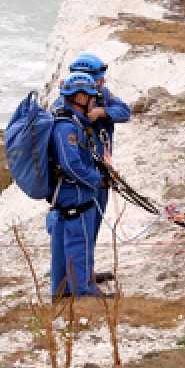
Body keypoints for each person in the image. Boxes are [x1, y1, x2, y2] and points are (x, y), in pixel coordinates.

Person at [46, 72, 106, 299]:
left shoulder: (72, 122)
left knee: (63, 248)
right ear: (80, 97)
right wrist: (95, 179)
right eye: (91, 96)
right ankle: (83, 293)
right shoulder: (67, 128)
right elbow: (71, 165)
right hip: (75, 196)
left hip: (67, 196)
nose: (94, 101)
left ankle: (62, 293)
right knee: (80, 244)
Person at [66, 52, 131, 250]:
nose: (103, 82)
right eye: (99, 79)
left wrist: (102, 112)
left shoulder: (103, 96)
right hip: (80, 178)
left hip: (100, 174)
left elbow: (125, 111)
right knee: (78, 233)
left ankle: (87, 263)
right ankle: (77, 266)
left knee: (92, 228)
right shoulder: (64, 106)